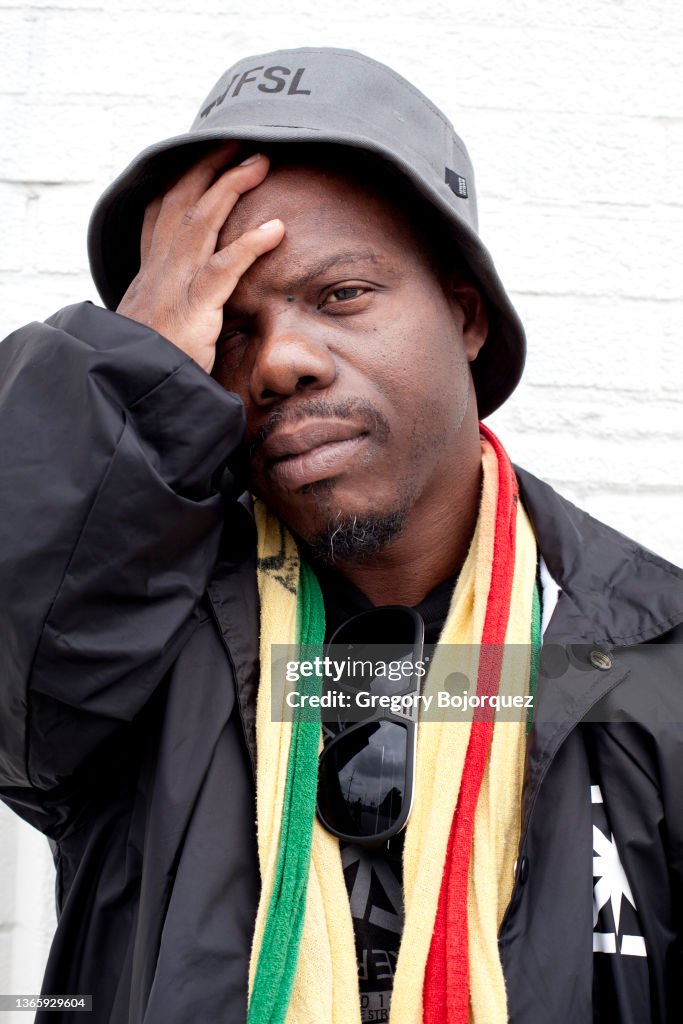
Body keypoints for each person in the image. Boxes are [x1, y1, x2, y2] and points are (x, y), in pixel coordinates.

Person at [0, 46, 681, 1024]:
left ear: (464, 314)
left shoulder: (649, 653)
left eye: (341, 295)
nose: (277, 360)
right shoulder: (130, 646)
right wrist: (130, 372)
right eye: (228, 326)